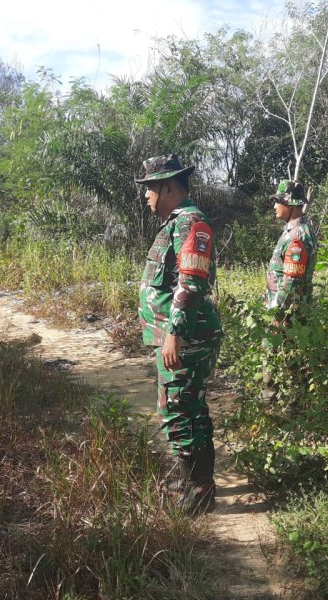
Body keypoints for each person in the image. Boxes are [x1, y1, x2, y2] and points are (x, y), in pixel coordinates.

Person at [135, 154, 222, 514]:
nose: (146, 197)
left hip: (186, 339)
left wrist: (175, 333)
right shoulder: (178, 222)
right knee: (192, 411)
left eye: (150, 189)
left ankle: (197, 497)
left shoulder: (190, 222)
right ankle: (199, 486)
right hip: (183, 336)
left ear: (168, 187)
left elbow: (190, 281)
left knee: (178, 413)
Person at [262, 179, 317, 400]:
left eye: (279, 201)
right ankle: (293, 404)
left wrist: (277, 310)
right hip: (290, 310)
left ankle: (273, 402)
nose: (275, 206)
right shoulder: (294, 231)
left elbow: (291, 279)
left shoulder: (297, 236)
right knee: (292, 358)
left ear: (292, 204)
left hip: (288, 312)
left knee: (279, 355)